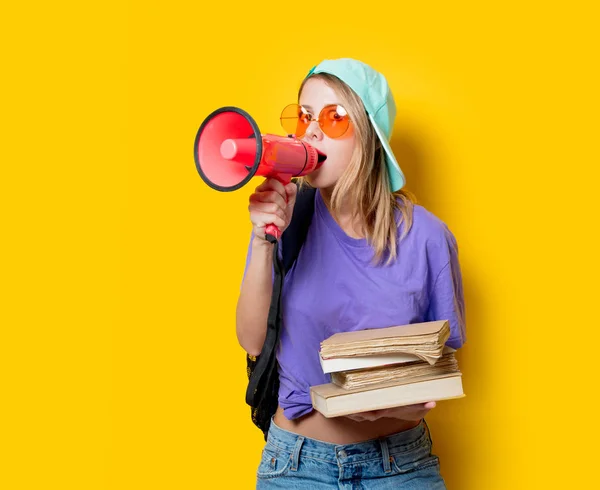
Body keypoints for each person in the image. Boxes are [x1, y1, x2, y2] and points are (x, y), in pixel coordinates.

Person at [236, 58, 466, 489]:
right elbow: (251, 340)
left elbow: (438, 372)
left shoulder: (429, 238)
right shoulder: (289, 219)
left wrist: (393, 406)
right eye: (304, 116)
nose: (312, 131)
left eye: (334, 117)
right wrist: (262, 239)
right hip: (297, 467)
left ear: (371, 136)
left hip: (401, 468)